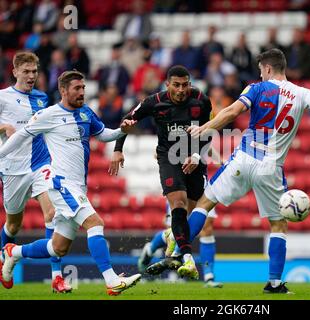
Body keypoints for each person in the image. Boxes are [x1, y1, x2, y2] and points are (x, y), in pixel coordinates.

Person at [162, 48, 310, 294]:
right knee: (278, 225)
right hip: (270, 168)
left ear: (268, 68)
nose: (260, 74)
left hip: (243, 157)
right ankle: (275, 283)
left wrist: (205, 128)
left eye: (261, 70)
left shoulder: (256, 88)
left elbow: (231, 112)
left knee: (204, 204)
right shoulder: (301, 93)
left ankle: (178, 253)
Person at [0, 70, 141, 295]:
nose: (82, 92)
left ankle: (12, 252)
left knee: (58, 247)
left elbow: (103, 134)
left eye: (83, 88)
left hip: (78, 185)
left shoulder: (86, 112)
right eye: (77, 88)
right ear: (63, 90)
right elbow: (21, 135)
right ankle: (112, 280)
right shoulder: (48, 115)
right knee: (95, 223)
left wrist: (121, 131)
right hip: (60, 183)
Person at [109, 65, 213, 281]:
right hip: (168, 158)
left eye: (185, 85)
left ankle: (171, 238)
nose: (181, 90)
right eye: (176, 85)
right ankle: (186, 257)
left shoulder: (201, 100)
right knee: (178, 204)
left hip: (195, 158)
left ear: (190, 84)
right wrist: (118, 149)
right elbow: (128, 120)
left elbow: (208, 131)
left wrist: (195, 155)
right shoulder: (154, 102)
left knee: (190, 216)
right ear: (168, 85)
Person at [0, 51, 70, 293]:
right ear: (15, 72)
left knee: (52, 214)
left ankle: (57, 277)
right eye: (26, 71)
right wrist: (4, 127)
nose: (31, 76)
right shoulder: (3, 97)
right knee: (13, 225)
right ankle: (5, 257)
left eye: (34, 71)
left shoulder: (42, 98)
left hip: (41, 164)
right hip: (12, 170)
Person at [138, 202, 223, 288]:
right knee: (175, 232)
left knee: (207, 228)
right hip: (182, 192)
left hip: (204, 191)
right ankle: (151, 247)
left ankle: (209, 277)